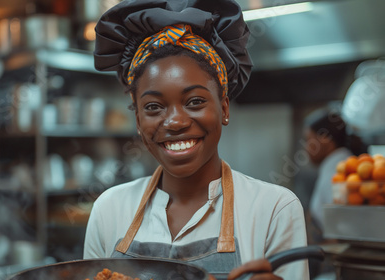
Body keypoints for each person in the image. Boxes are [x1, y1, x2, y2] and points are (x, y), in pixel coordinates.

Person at [84, 1, 309, 279]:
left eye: (195, 101)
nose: (176, 121)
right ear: (139, 121)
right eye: (154, 107)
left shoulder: (274, 209)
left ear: (224, 109)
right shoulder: (109, 209)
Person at [304, 108, 367, 235]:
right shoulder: (340, 165)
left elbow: (340, 227)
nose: (305, 147)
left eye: (308, 140)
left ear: (325, 139)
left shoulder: (336, 173)